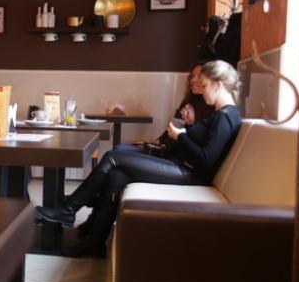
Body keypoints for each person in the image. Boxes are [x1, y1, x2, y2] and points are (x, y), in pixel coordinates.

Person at [35, 60, 242, 258]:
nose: (202, 90)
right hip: (182, 167)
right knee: (117, 175)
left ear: (218, 85)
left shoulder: (225, 116)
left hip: (188, 174)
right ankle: (94, 243)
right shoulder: (222, 114)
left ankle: (68, 209)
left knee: (112, 157)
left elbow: (206, 161)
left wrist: (181, 136)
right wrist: (183, 133)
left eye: (205, 86)